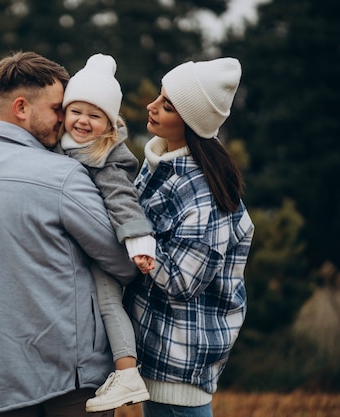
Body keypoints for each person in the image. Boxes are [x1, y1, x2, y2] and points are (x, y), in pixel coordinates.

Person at [0, 51, 138, 417]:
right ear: (21, 108)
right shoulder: (60, 176)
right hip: (67, 380)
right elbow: (124, 264)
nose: (64, 120)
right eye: (56, 109)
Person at [124, 57, 255, 417]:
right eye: (159, 97)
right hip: (156, 360)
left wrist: (138, 245)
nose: (151, 107)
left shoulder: (203, 195)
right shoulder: (163, 168)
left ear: (191, 123)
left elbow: (183, 280)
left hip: (178, 369)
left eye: (166, 105)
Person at [57, 53, 155, 412]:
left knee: (109, 299)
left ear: (109, 124)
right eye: (76, 111)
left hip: (109, 244)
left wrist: (138, 242)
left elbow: (123, 200)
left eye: (95, 115)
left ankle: (127, 373)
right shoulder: (59, 145)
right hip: (80, 243)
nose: (83, 121)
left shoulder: (108, 156)